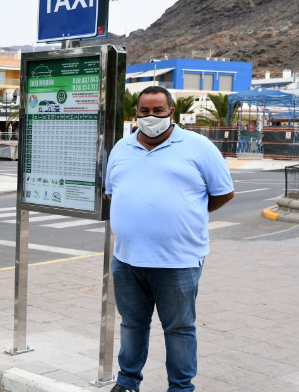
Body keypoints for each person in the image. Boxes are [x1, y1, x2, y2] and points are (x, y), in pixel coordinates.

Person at [105, 86, 235, 392]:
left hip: (178, 260)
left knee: (178, 328)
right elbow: (113, 192)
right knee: (132, 324)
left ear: (171, 112)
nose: (151, 117)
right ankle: (127, 383)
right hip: (126, 259)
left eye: (158, 111)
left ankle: (180, 387)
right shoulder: (121, 148)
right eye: (144, 111)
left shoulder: (199, 147)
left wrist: (184, 216)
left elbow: (223, 193)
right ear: (135, 114)